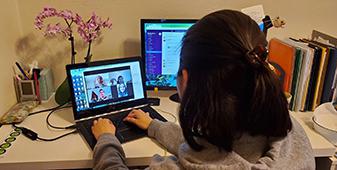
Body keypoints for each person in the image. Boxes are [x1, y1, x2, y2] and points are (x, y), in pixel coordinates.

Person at [91, 9, 315, 169]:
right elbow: (213, 148)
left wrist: (106, 141)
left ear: (185, 80)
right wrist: (154, 126)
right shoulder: (293, 137)